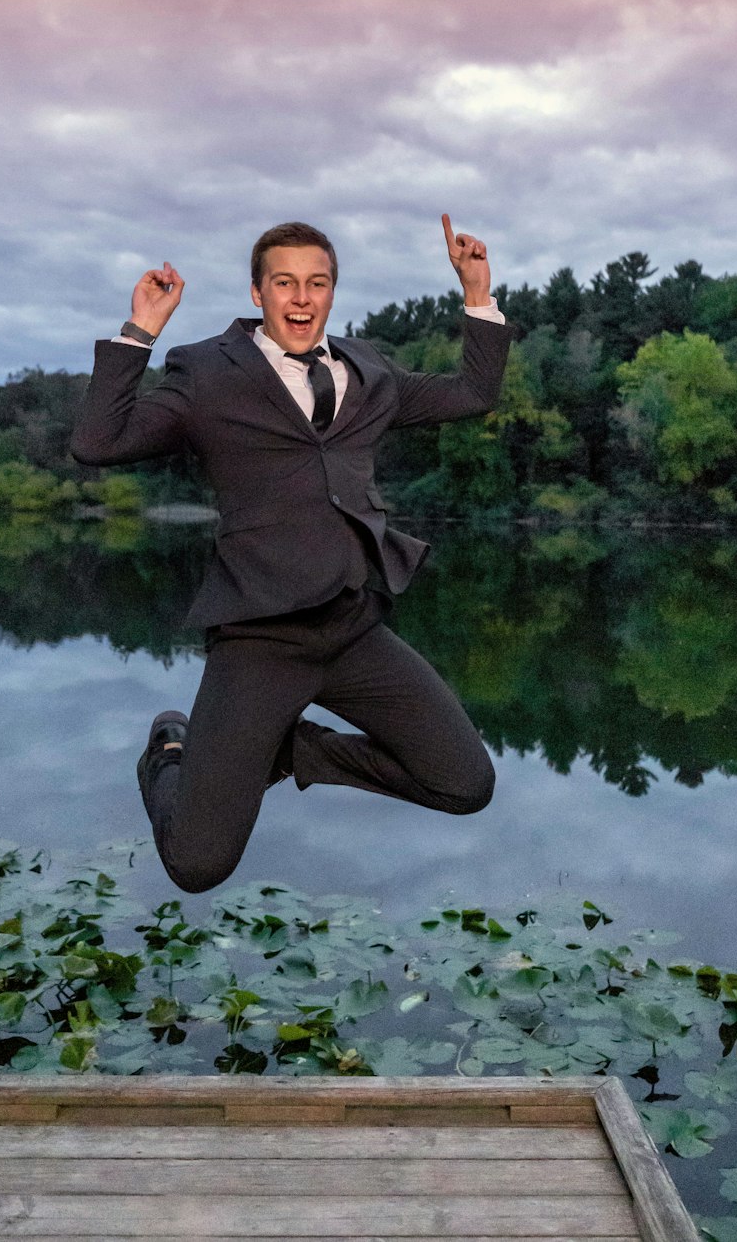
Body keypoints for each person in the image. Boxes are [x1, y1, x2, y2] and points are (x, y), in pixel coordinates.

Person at [71, 215, 512, 893]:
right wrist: (140, 331)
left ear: (332, 292)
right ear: (258, 293)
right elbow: (99, 441)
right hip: (259, 638)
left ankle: (293, 747)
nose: (302, 298)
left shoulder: (370, 370)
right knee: (196, 866)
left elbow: (473, 392)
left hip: (352, 628)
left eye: (317, 283)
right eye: (285, 283)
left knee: (464, 784)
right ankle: (169, 752)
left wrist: (476, 291)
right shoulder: (209, 374)